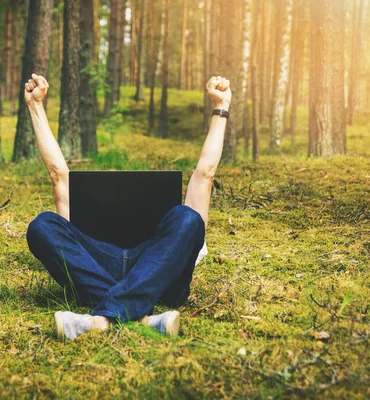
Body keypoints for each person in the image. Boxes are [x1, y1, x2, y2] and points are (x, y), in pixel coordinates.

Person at [24, 73, 231, 339]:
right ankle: (142, 317)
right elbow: (57, 174)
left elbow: (206, 174)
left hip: (164, 279)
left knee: (188, 218)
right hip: (97, 263)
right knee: (42, 225)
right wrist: (35, 105)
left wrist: (220, 108)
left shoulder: (180, 235)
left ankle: (99, 320)